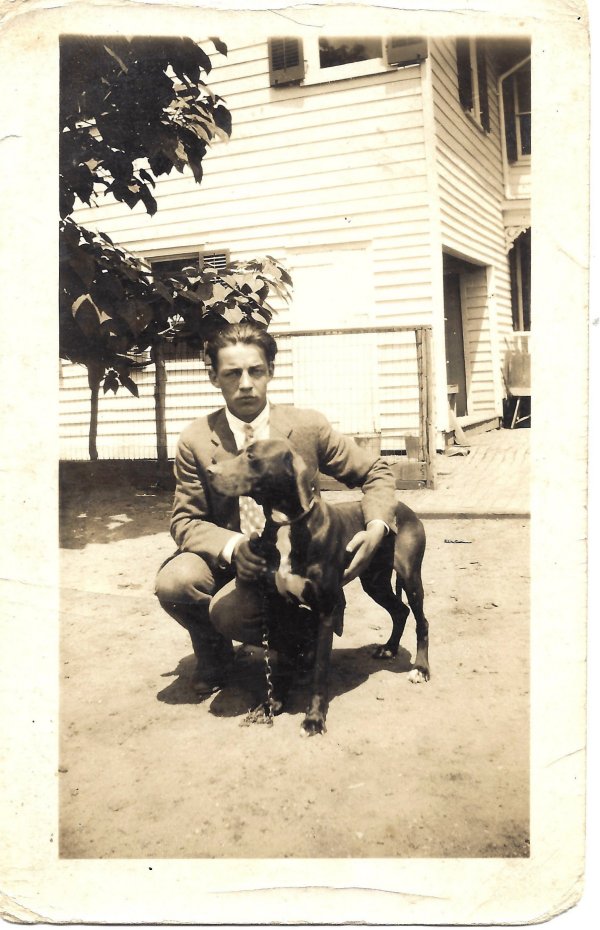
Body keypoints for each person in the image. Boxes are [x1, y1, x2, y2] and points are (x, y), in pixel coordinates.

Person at [155, 321, 397, 696]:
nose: (246, 383)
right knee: (176, 581)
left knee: (232, 613)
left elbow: (375, 471)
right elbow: (186, 521)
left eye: (255, 371)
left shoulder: (307, 426)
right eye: (232, 373)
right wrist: (234, 547)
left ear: (271, 371)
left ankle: (303, 640)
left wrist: (377, 526)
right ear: (214, 378)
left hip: (298, 557)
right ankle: (215, 654)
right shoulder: (196, 440)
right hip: (239, 559)